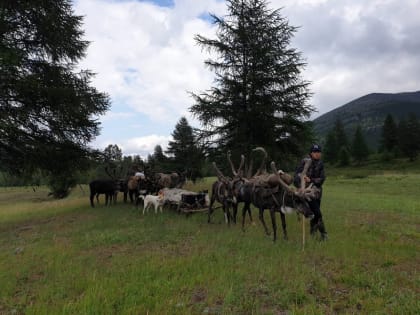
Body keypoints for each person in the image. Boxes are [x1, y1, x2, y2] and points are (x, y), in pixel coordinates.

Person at [294, 144, 328, 241]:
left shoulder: (320, 164)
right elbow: (296, 176)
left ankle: (312, 233)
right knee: (317, 213)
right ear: (311, 153)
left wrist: (311, 180)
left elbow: (322, 179)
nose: (317, 154)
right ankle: (324, 234)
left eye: (318, 152)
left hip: (317, 192)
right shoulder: (304, 162)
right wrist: (302, 178)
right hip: (307, 193)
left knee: (314, 213)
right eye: (315, 152)